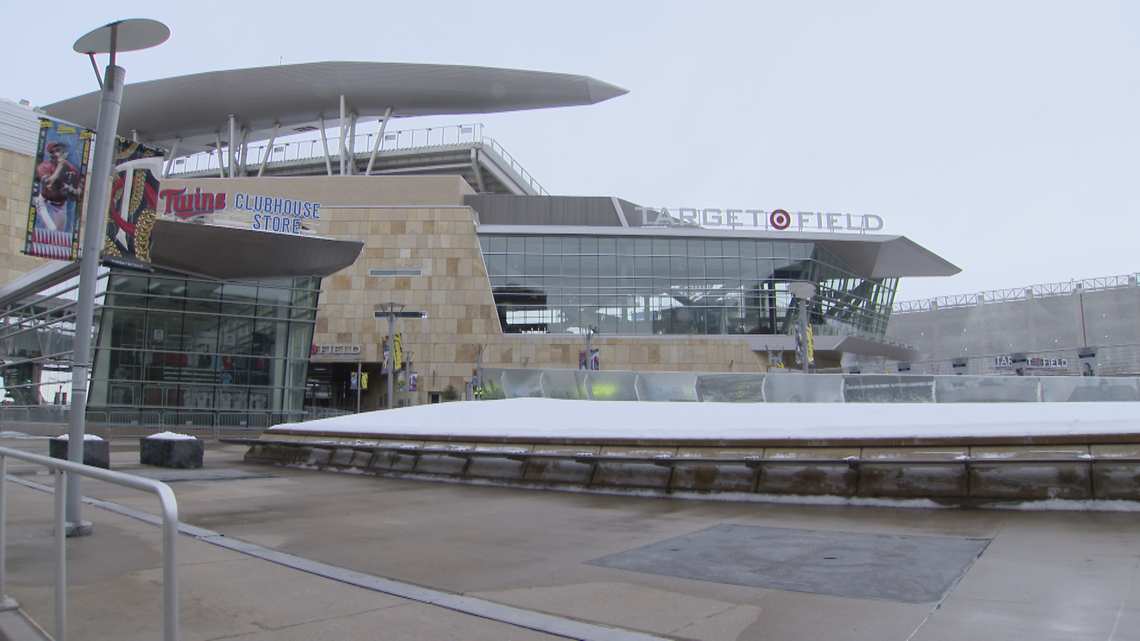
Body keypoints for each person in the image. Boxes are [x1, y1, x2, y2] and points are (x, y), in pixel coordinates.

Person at [35, 141, 82, 232]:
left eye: (61, 149)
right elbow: (49, 183)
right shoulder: (44, 166)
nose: (60, 152)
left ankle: (46, 245)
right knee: (52, 229)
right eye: (57, 150)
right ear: (51, 154)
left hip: (61, 205)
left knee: (59, 235)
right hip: (46, 202)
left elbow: (79, 185)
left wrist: (76, 193)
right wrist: (59, 167)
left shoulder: (70, 168)